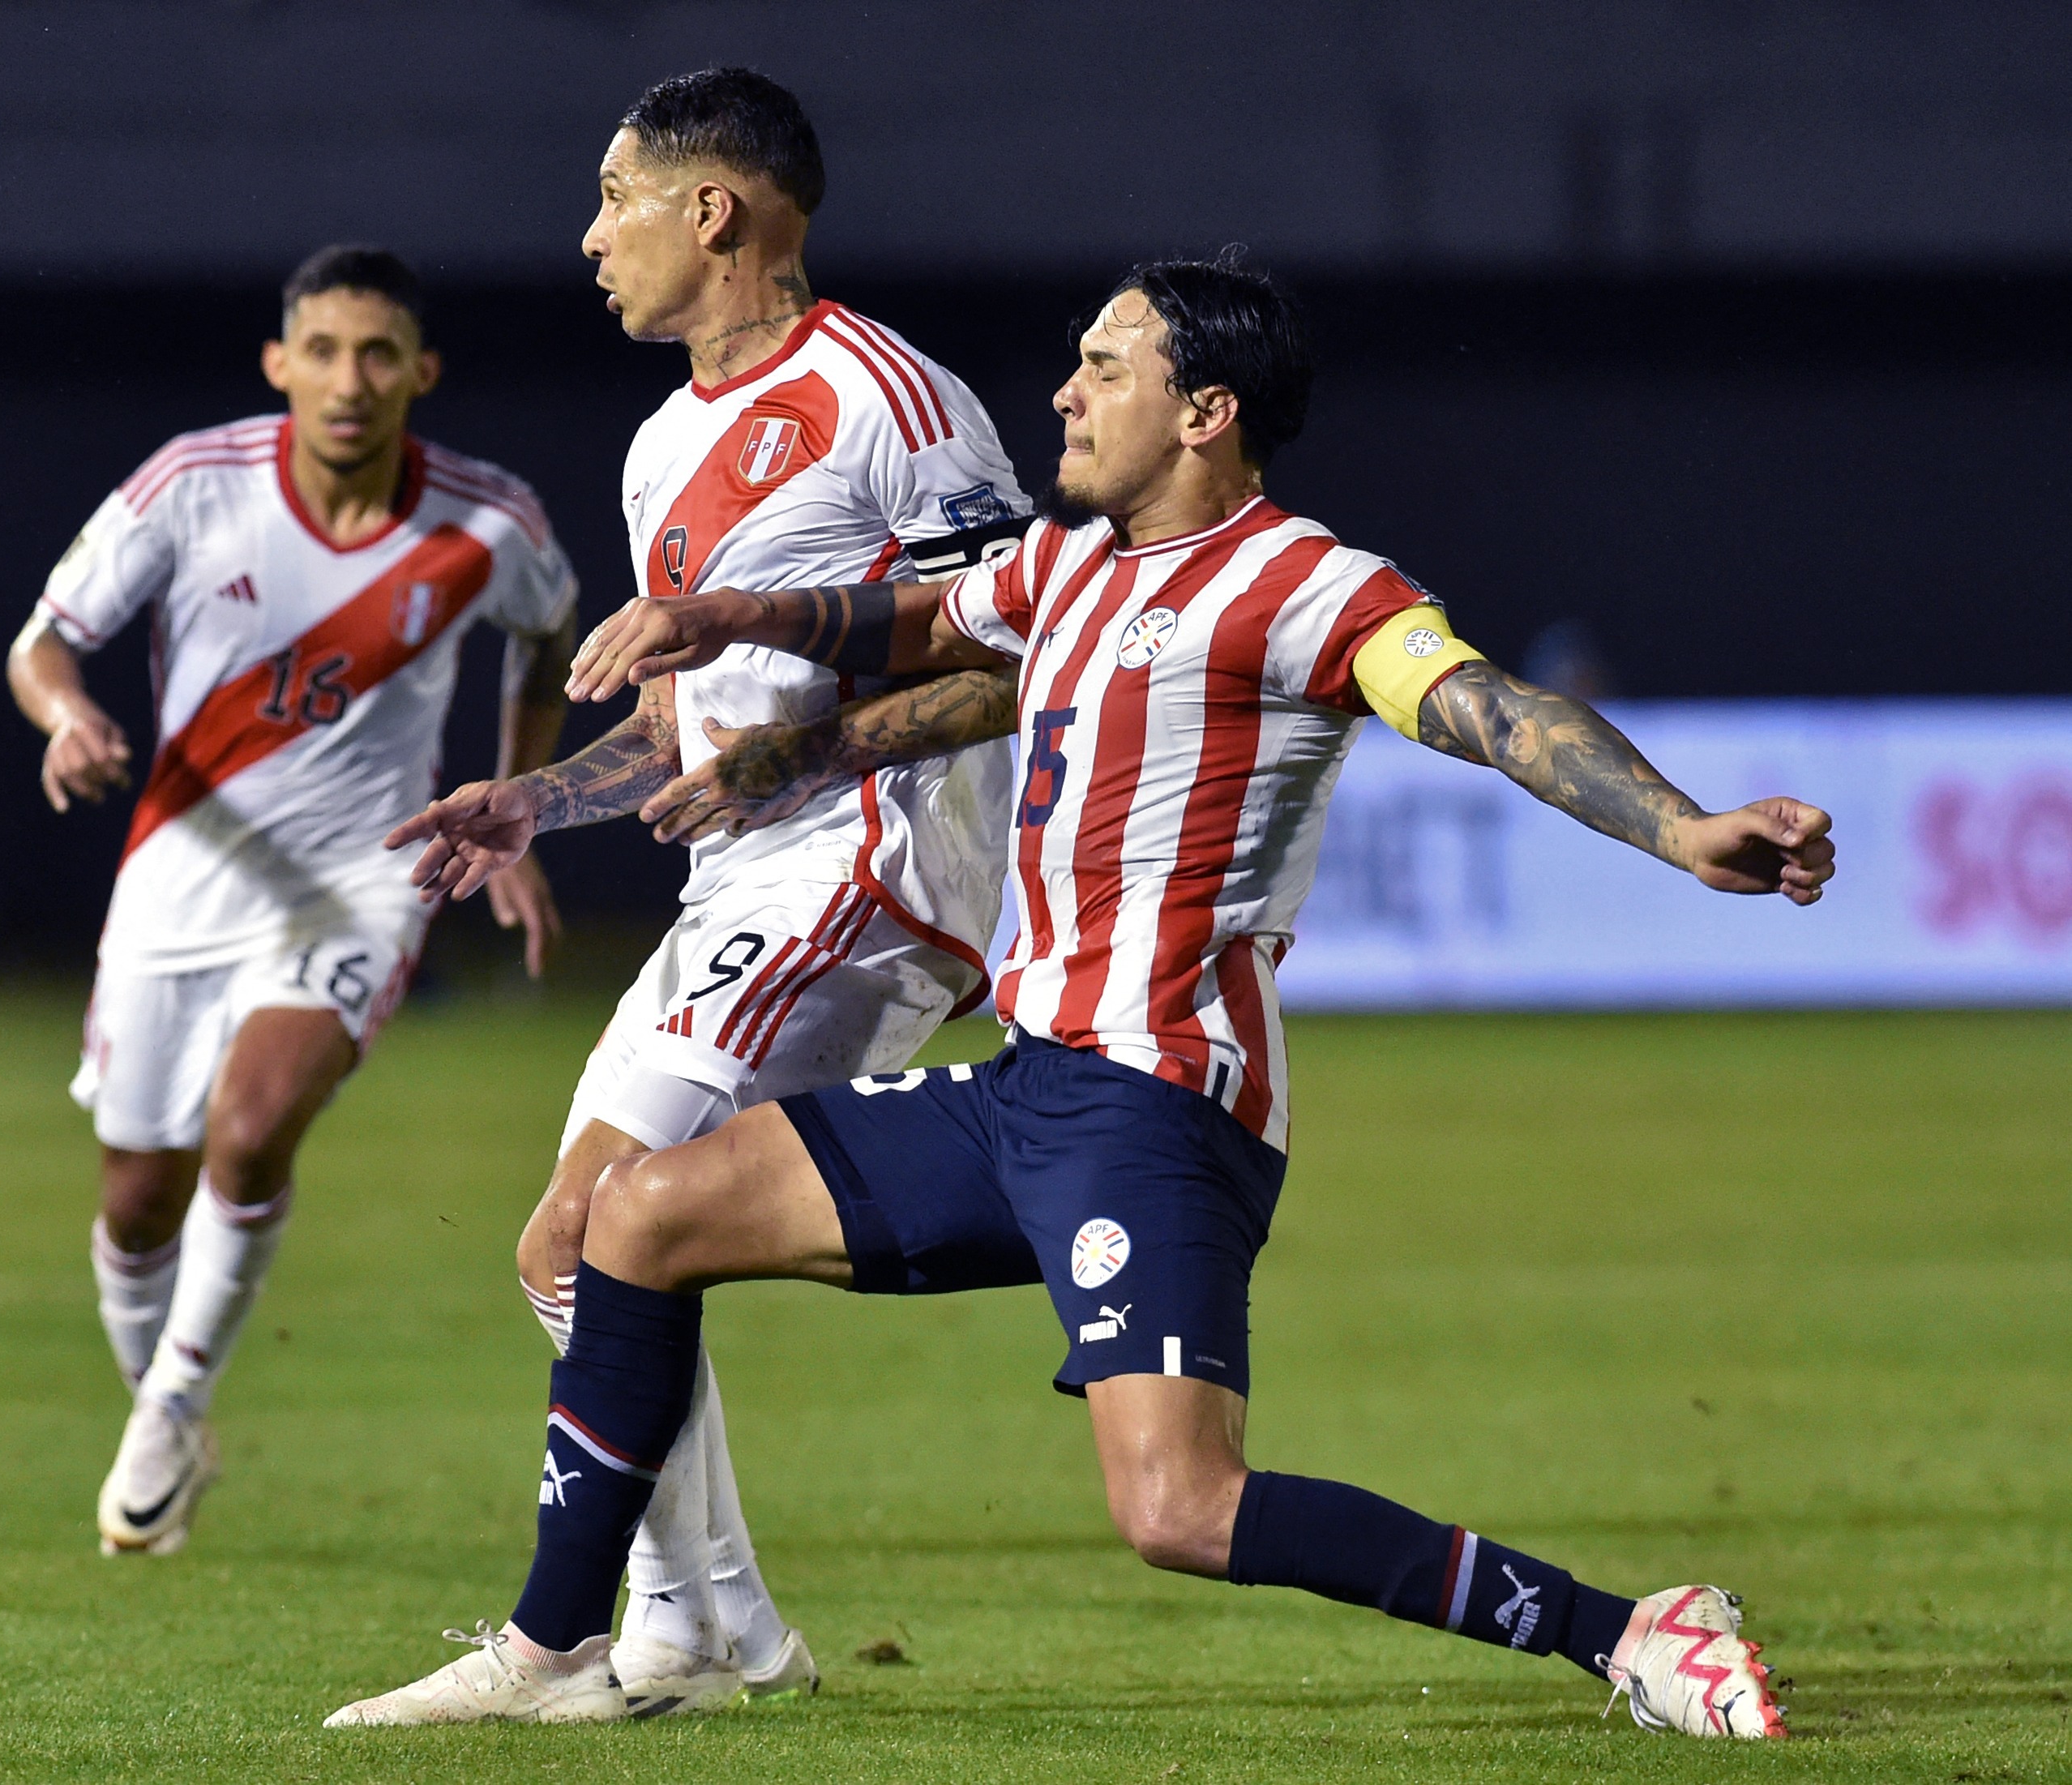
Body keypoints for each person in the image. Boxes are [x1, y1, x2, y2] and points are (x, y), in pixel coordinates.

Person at [328, 255, 1834, 1734]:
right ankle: (553, 1648)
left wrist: (1681, 825)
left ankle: (1627, 1630)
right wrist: (719, 618)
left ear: (1204, 411)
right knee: (631, 1219)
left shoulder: (1306, 584)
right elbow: (906, 622)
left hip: (1156, 1108)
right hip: (1023, 1089)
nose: (1067, 388)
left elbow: (1495, 709)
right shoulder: (1069, 566)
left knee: (1178, 1506)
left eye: (1107, 365)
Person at [383, 67, 1030, 1713]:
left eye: (615, 198)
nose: (590, 235)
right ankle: (710, 1629)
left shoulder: (892, 398)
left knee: (592, 1230)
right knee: (579, 1251)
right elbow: (682, 718)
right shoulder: (666, 441)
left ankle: (624, 1637)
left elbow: (1022, 654)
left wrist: (800, 764)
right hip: (747, 873)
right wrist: (536, 798)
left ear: (713, 210)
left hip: (866, 863)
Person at [6, 246, 578, 1556]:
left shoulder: (491, 523)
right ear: (278, 363)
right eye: (321, 350)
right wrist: (69, 715)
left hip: (358, 884)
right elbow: (40, 643)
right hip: (178, 875)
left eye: (378, 354)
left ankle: (173, 1404)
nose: (348, 380)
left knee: (251, 1132)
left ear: (420, 373)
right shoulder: (192, 486)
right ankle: (164, 1402)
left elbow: (549, 634)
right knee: (138, 1196)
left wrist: (521, 798)